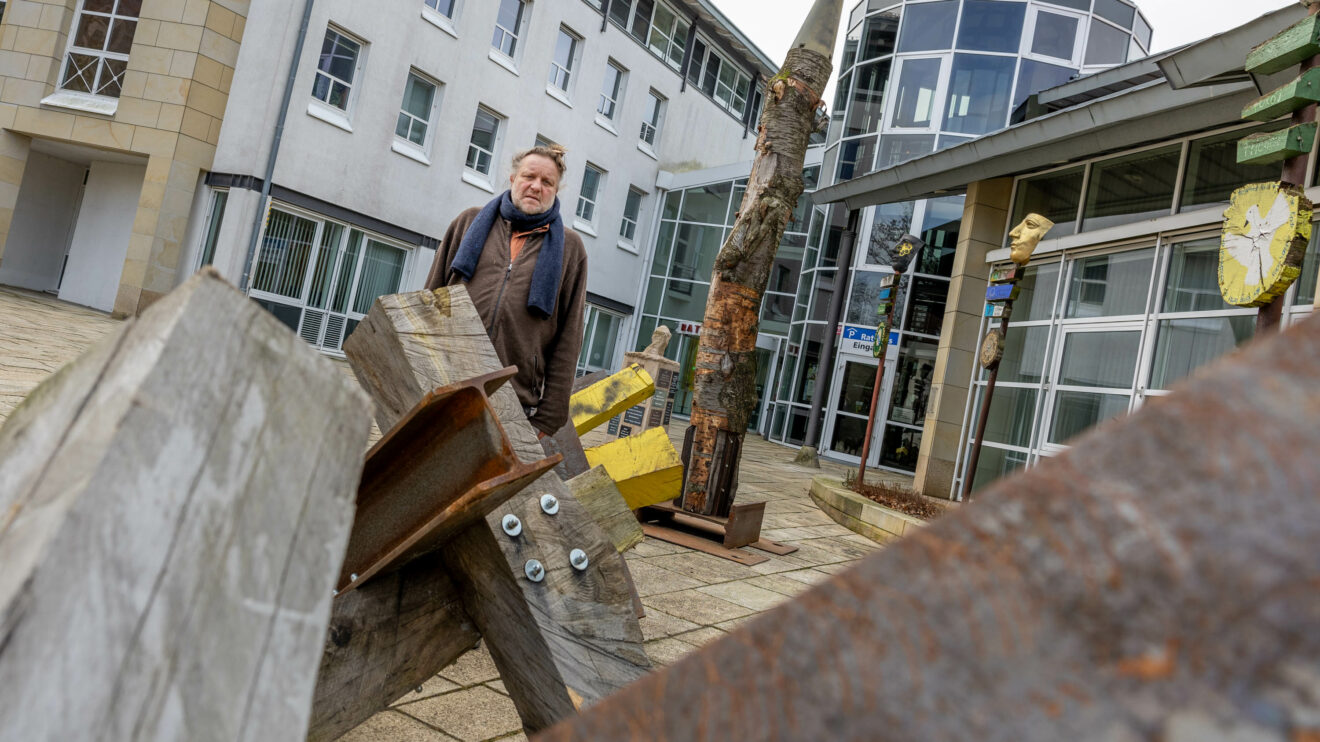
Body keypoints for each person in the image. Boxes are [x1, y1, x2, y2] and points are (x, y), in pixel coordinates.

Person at [424, 144, 587, 437]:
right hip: (446, 382)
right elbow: (428, 302)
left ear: (556, 190)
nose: (536, 186)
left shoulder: (570, 249)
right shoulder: (468, 223)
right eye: (529, 176)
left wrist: (548, 419)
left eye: (547, 182)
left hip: (514, 403)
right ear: (513, 179)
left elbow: (569, 339)